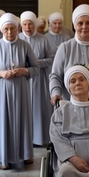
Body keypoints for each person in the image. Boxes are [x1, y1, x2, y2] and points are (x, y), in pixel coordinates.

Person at [0, 13, 39, 171]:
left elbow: (36, 68)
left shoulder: (25, 45)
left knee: (22, 120)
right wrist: (0, 73)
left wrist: (24, 71)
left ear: (17, 29)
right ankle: (4, 158)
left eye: (12, 28)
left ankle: (25, 155)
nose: (10, 32)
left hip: (21, 91)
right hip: (2, 91)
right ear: (1, 29)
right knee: (3, 122)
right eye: (6, 29)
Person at [20, 10, 57, 147]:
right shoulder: (18, 39)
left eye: (30, 24)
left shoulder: (43, 39)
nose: (28, 27)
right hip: (22, 80)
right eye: (25, 24)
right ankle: (24, 139)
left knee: (38, 109)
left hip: (39, 79)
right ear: (22, 25)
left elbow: (51, 58)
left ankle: (39, 138)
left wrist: (37, 63)